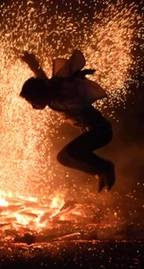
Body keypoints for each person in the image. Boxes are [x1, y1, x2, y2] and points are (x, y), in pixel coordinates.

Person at [20, 50, 115, 192]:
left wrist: (76, 77)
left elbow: (70, 86)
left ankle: (106, 168)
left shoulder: (64, 93)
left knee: (73, 152)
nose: (33, 107)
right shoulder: (49, 88)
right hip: (91, 132)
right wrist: (31, 61)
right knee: (63, 158)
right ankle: (98, 171)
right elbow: (40, 75)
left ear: (41, 95)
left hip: (101, 132)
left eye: (33, 102)